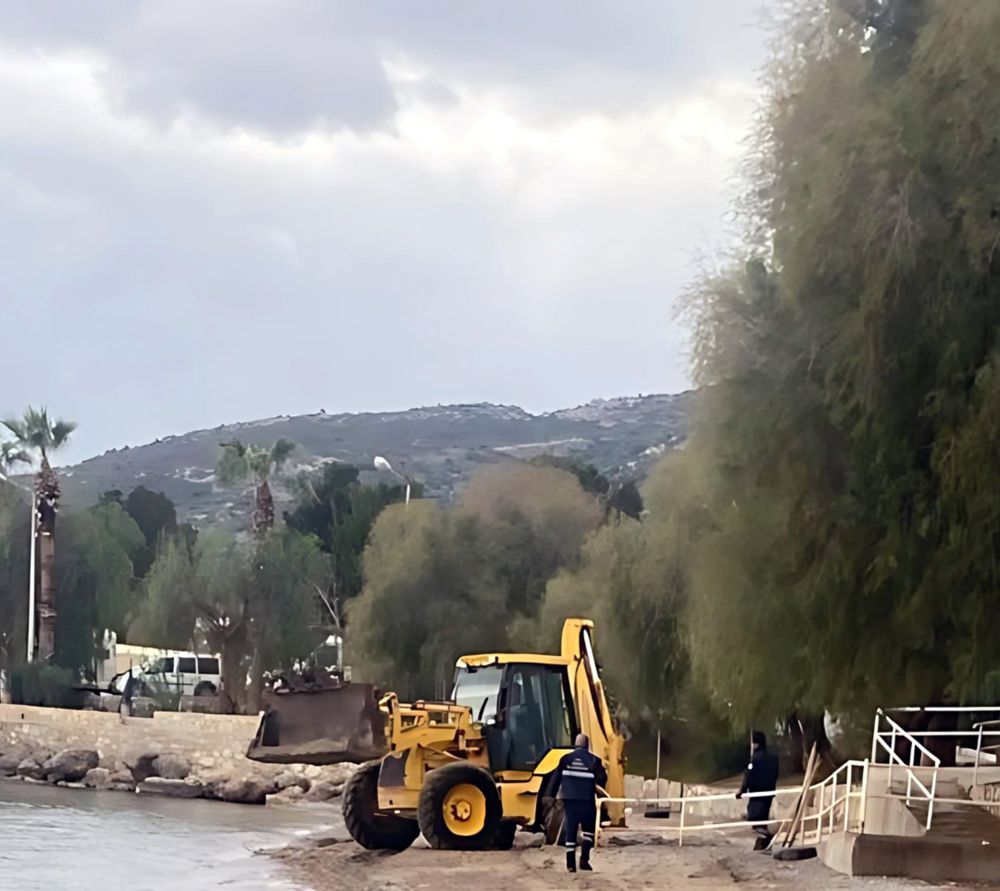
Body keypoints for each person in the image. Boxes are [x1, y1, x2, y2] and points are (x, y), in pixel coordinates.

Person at [552, 732, 608, 873]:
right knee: (588, 832)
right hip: (587, 801)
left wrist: (553, 797)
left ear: (575, 744)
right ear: (587, 745)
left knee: (570, 832)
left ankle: (571, 865)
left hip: (570, 802)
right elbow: (602, 779)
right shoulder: (595, 760)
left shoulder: (565, 760)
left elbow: (555, 780)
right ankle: (584, 860)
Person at [736, 730, 780, 848]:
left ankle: (765, 840)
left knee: (756, 818)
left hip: (756, 793)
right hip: (769, 791)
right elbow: (775, 774)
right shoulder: (773, 758)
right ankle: (764, 839)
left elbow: (748, 775)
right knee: (763, 817)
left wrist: (742, 790)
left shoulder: (754, 759)